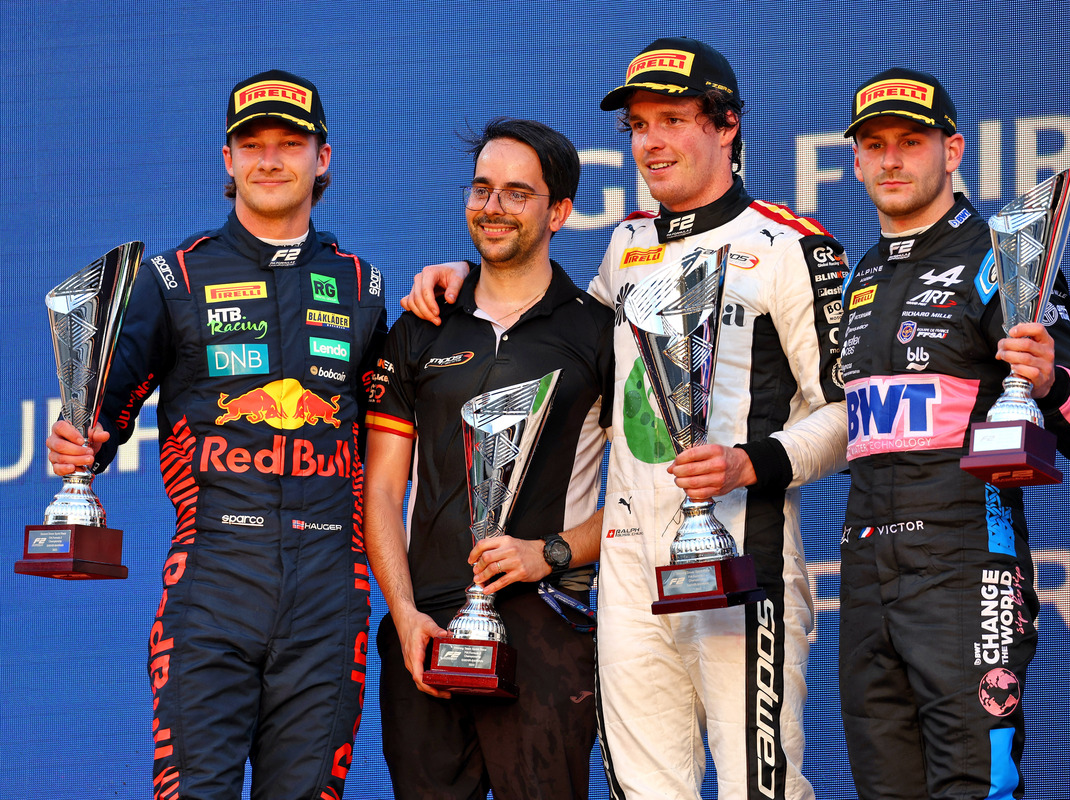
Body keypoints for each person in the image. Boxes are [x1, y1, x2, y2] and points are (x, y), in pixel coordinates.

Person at [401, 38, 848, 800]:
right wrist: (470, 278)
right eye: (639, 126)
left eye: (673, 119)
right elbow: (558, 333)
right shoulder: (627, 245)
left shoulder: (789, 247)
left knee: (759, 790)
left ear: (727, 125)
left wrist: (753, 463)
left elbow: (849, 412)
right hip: (627, 572)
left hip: (742, 558)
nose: (652, 142)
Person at [46, 69, 387, 800]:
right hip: (213, 581)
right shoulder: (175, 277)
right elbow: (99, 413)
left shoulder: (366, 287)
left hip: (332, 586)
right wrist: (80, 440)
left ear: (322, 158)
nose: (270, 160)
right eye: (252, 144)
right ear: (227, 160)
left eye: (289, 144)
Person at [838, 67, 1070, 800]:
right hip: (867, 573)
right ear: (858, 159)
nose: (892, 159)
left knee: (975, 786)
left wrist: (1054, 380)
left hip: (965, 565)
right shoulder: (859, 275)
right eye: (876, 145)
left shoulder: (1002, 259)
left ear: (952, 149)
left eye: (911, 140)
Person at [363, 117, 612, 800]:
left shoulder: (596, 332)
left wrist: (551, 552)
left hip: (548, 618)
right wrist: (404, 612)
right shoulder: (420, 326)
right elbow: (381, 489)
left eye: (516, 193)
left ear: (559, 211)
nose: (492, 206)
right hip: (427, 629)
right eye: (481, 189)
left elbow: (644, 495)